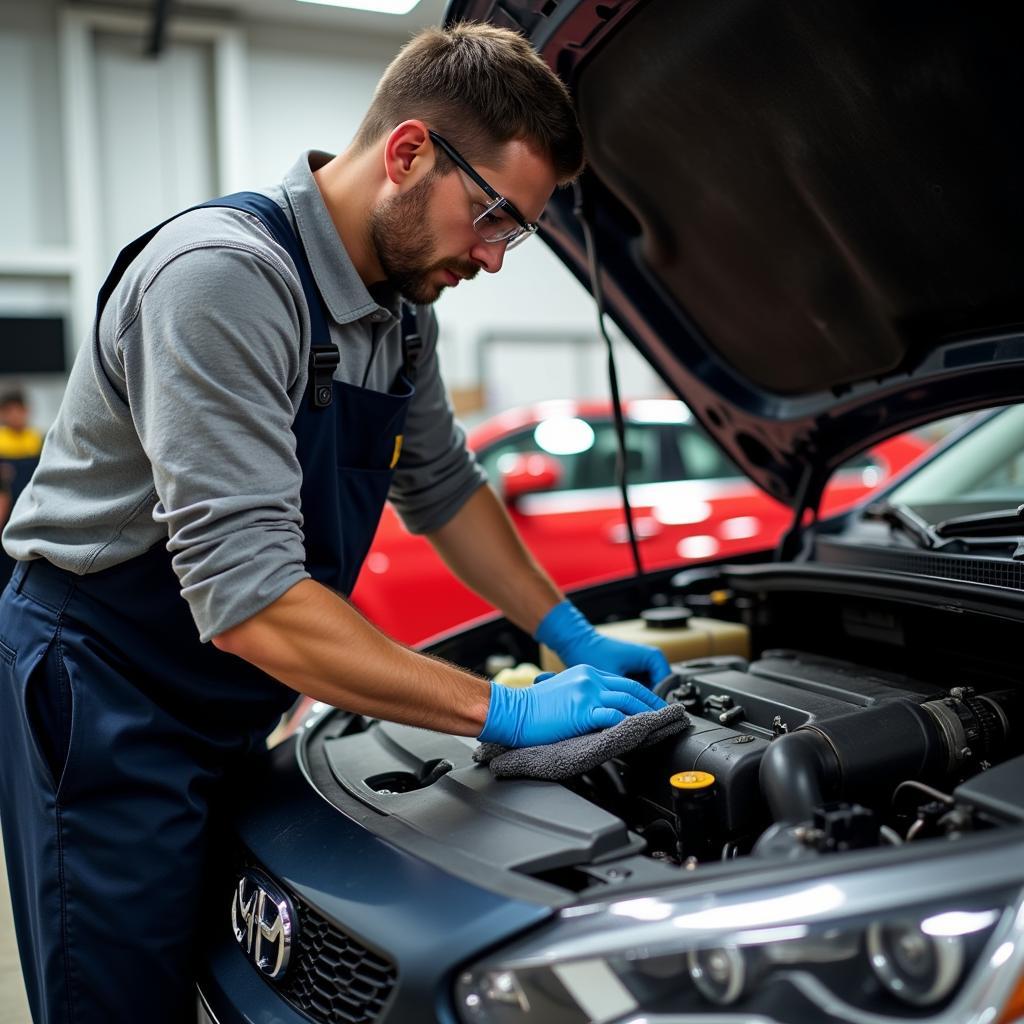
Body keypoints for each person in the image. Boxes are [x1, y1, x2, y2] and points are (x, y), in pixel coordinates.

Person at [0, 22, 671, 1024]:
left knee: (226, 972)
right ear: (407, 153)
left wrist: (563, 629)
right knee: (118, 998)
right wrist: (505, 710)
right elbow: (250, 601)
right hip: (108, 692)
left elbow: (443, 488)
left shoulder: (403, 316)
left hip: (231, 696)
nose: (492, 257)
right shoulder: (224, 278)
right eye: (491, 216)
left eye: (514, 232)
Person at [0, 390, 43, 584]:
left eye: (20, 410)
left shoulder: (39, 441)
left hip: (32, 515)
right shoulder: (2, 443)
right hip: (5, 518)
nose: (15, 415)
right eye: (10, 410)